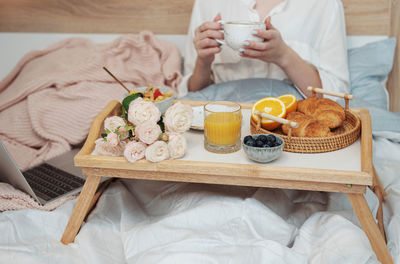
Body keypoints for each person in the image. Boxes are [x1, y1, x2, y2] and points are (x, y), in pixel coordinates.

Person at [177, 0, 350, 99]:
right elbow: (192, 94)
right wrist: (204, 61)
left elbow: (337, 96)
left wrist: (284, 56)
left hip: (293, 129)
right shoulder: (208, 3)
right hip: (223, 121)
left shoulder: (324, 5)